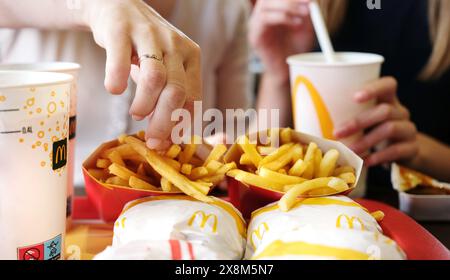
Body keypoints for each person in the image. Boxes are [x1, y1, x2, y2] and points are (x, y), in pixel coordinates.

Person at [0, 0, 252, 187]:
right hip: (35, 206)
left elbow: (237, 137)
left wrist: (219, 153)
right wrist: (98, 7)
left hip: (180, 212)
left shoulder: (227, 9)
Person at [249, 0, 450, 200]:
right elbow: (259, 163)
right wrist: (278, 76)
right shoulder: (308, 8)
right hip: (308, 209)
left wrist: (418, 151)